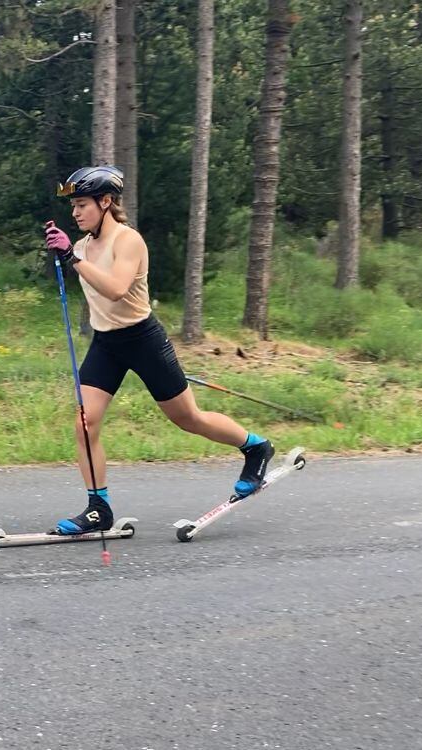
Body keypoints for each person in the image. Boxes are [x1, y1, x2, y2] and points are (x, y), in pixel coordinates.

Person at [42, 165, 275, 534]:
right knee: (85, 423)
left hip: (142, 339)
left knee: (187, 419)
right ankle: (97, 508)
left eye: (82, 204)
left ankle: (255, 447)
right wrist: (69, 258)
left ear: (105, 202)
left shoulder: (127, 240)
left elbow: (117, 288)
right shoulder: (84, 247)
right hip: (106, 344)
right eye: (73, 206)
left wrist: (72, 259)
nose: (75, 213)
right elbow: (91, 280)